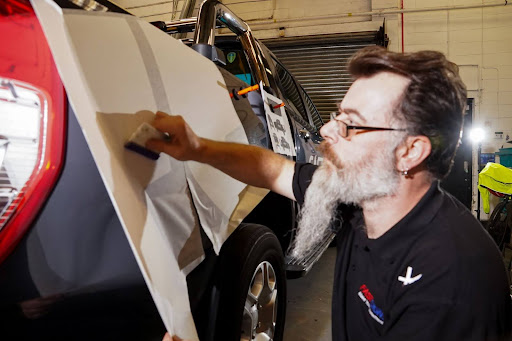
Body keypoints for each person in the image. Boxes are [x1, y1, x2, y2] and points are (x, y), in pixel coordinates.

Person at [150, 46, 512, 341]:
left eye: (350, 124)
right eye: (336, 115)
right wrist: (197, 148)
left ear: (409, 152)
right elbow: (272, 169)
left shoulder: (450, 282)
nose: (325, 129)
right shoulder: (362, 197)